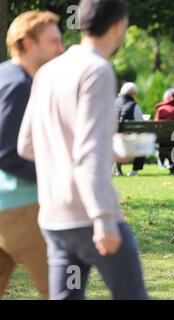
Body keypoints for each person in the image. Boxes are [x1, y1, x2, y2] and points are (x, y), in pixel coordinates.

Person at [18, 0, 149, 300]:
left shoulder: (47, 72)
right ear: (118, 28)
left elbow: (27, 144)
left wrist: (103, 150)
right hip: (90, 218)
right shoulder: (97, 71)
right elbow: (88, 152)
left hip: (54, 219)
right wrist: (103, 217)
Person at [0, 10, 64, 299]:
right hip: (23, 209)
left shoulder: (5, 76)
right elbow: (7, 153)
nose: (60, 49)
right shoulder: (20, 87)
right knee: (63, 292)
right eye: (53, 42)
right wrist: (59, 175)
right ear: (27, 44)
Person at [115, 82, 146, 177]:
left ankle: (118, 170)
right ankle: (135, 170)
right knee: (142, 139)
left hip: (112, 139)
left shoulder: (113, 103)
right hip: (128, 140)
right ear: (133, 94)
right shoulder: (133, 105)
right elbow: (140, 124)